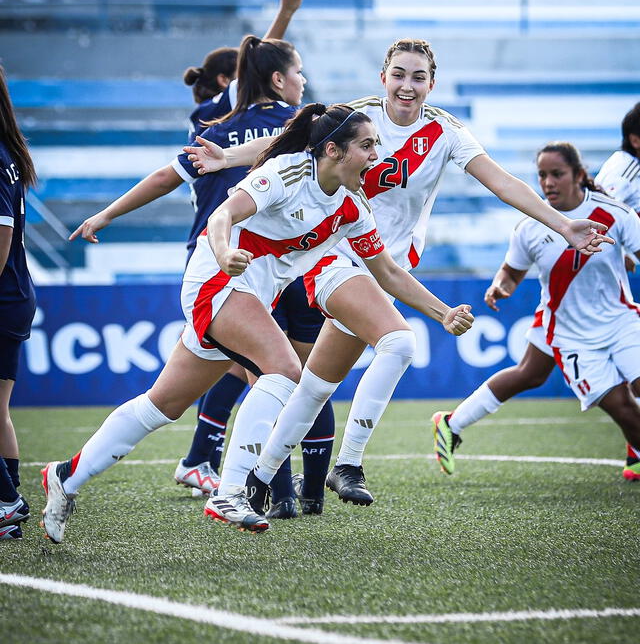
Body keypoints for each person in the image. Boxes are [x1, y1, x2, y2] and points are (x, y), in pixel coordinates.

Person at [183, 38, 614, 508]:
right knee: (401, 341)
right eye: (399, 75)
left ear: (432, 83)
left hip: (386, 269)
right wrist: (226, 159)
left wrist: (564, 224)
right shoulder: (360, 118)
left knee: (315, 387)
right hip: (332, 255)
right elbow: (289, 141)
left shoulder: (446, 133)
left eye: (418, 77)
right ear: (383, 77)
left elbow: (502, 183)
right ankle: (348, 463)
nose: (407, 86)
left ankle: (259, 478)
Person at [40, 103, 474, 541]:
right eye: (367, 145)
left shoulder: (352, 207)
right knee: (285, 370)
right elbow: (221, 215)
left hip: (247, 297)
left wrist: (443, 314)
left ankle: (64, 477)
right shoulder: (286, 172)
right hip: (216, 280)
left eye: (376, 145)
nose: (377, 155)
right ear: (333, 150)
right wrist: (226, 252)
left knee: (162, 405)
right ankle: (229, 493)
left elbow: (388, 273)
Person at [68, 0, 327, 512]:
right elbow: (271, 100)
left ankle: (68, 477)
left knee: (177, 397)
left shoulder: (211, 122)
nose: (304, 81)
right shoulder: (300, 128)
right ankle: (248, 490)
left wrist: (107, 214)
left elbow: (167, 176)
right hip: (239, 265)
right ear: (279, 80)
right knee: (284, 371)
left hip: (215, 263)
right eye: (298, 72)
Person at [431, 105, 640, 479]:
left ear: (579, 175)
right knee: (620, 406)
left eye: (556, 174)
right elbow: (511, 272)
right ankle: (451, 424)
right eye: (542, 175)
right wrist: (501, 287)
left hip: (622, 320)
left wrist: (626, 258)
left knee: (535, 374)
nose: (547, 183)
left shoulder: (616, 213)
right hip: (569, 331)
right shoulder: (531, 228)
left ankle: (636, 451)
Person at [0, 67, 37, 542]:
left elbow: (0, 245)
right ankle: (8, 504)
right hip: (14, 296)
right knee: (0, 409)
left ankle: (7, 501)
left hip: (3, 296)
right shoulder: (9, 153)